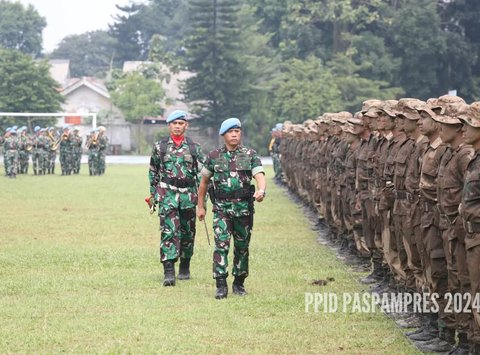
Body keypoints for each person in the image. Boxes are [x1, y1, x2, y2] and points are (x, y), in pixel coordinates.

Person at [197, 118, 266, 299]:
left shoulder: (250, 154)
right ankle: (221, 284)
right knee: (221, 245)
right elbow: (203, 183)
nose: (234, 134)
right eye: (230, 131)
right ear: (223, 135)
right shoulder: (213, 156)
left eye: (237, 131)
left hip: (243, 210)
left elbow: (259, 174)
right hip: (221, 209)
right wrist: (200, 207)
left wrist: (261, 190)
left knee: (242, 247)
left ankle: (239, 282)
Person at [148, 110, 204, 286]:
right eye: (175, 123)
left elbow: (203, 176)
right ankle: (169, 270)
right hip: (167, 195)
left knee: (188, 232)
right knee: (169, 232)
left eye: (181, 123)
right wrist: (153, 195)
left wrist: (203, 202)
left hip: (189, 195)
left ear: (186, 125)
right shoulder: (160, 147)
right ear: (169, 126)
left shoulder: (195, 148)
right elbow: (153, 171)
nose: (178, 126)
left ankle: (185, 266)